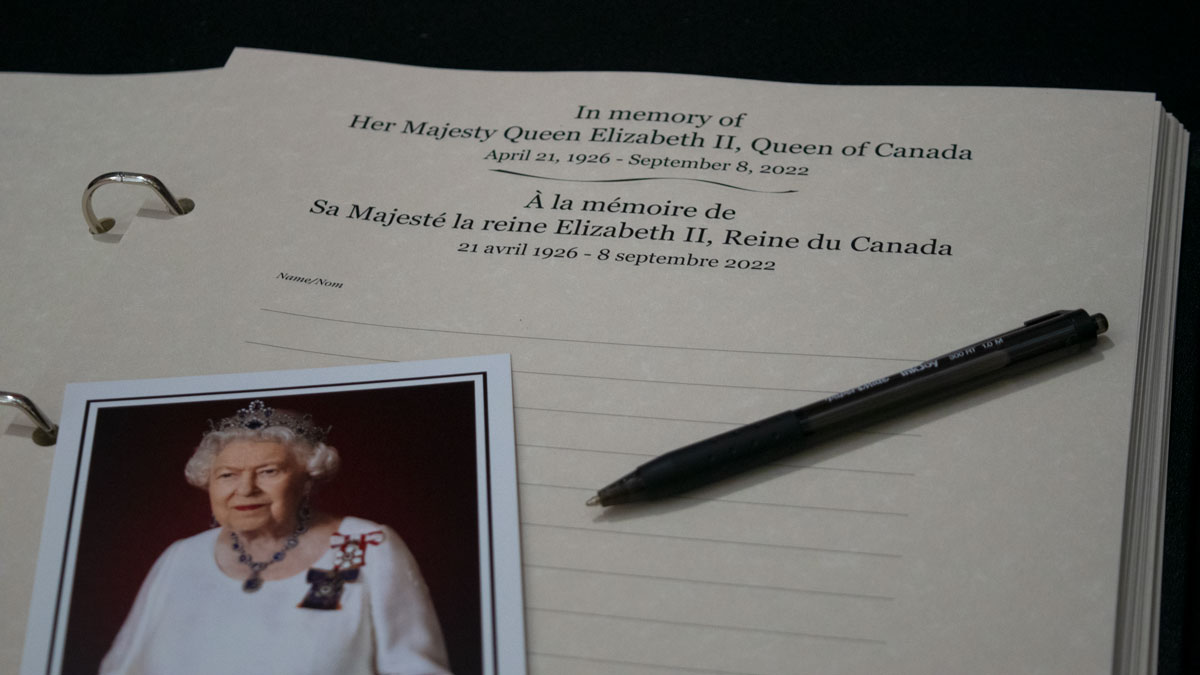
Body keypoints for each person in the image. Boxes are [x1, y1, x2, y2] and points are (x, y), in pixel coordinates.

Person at [99, 400, 451, 674]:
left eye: (269, 472)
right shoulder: (181, 558)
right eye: (227, 475)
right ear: (208, 481)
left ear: (307, 479)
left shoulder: (364, 546)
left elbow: (416, 670)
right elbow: (122, 669)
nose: (246, 489)